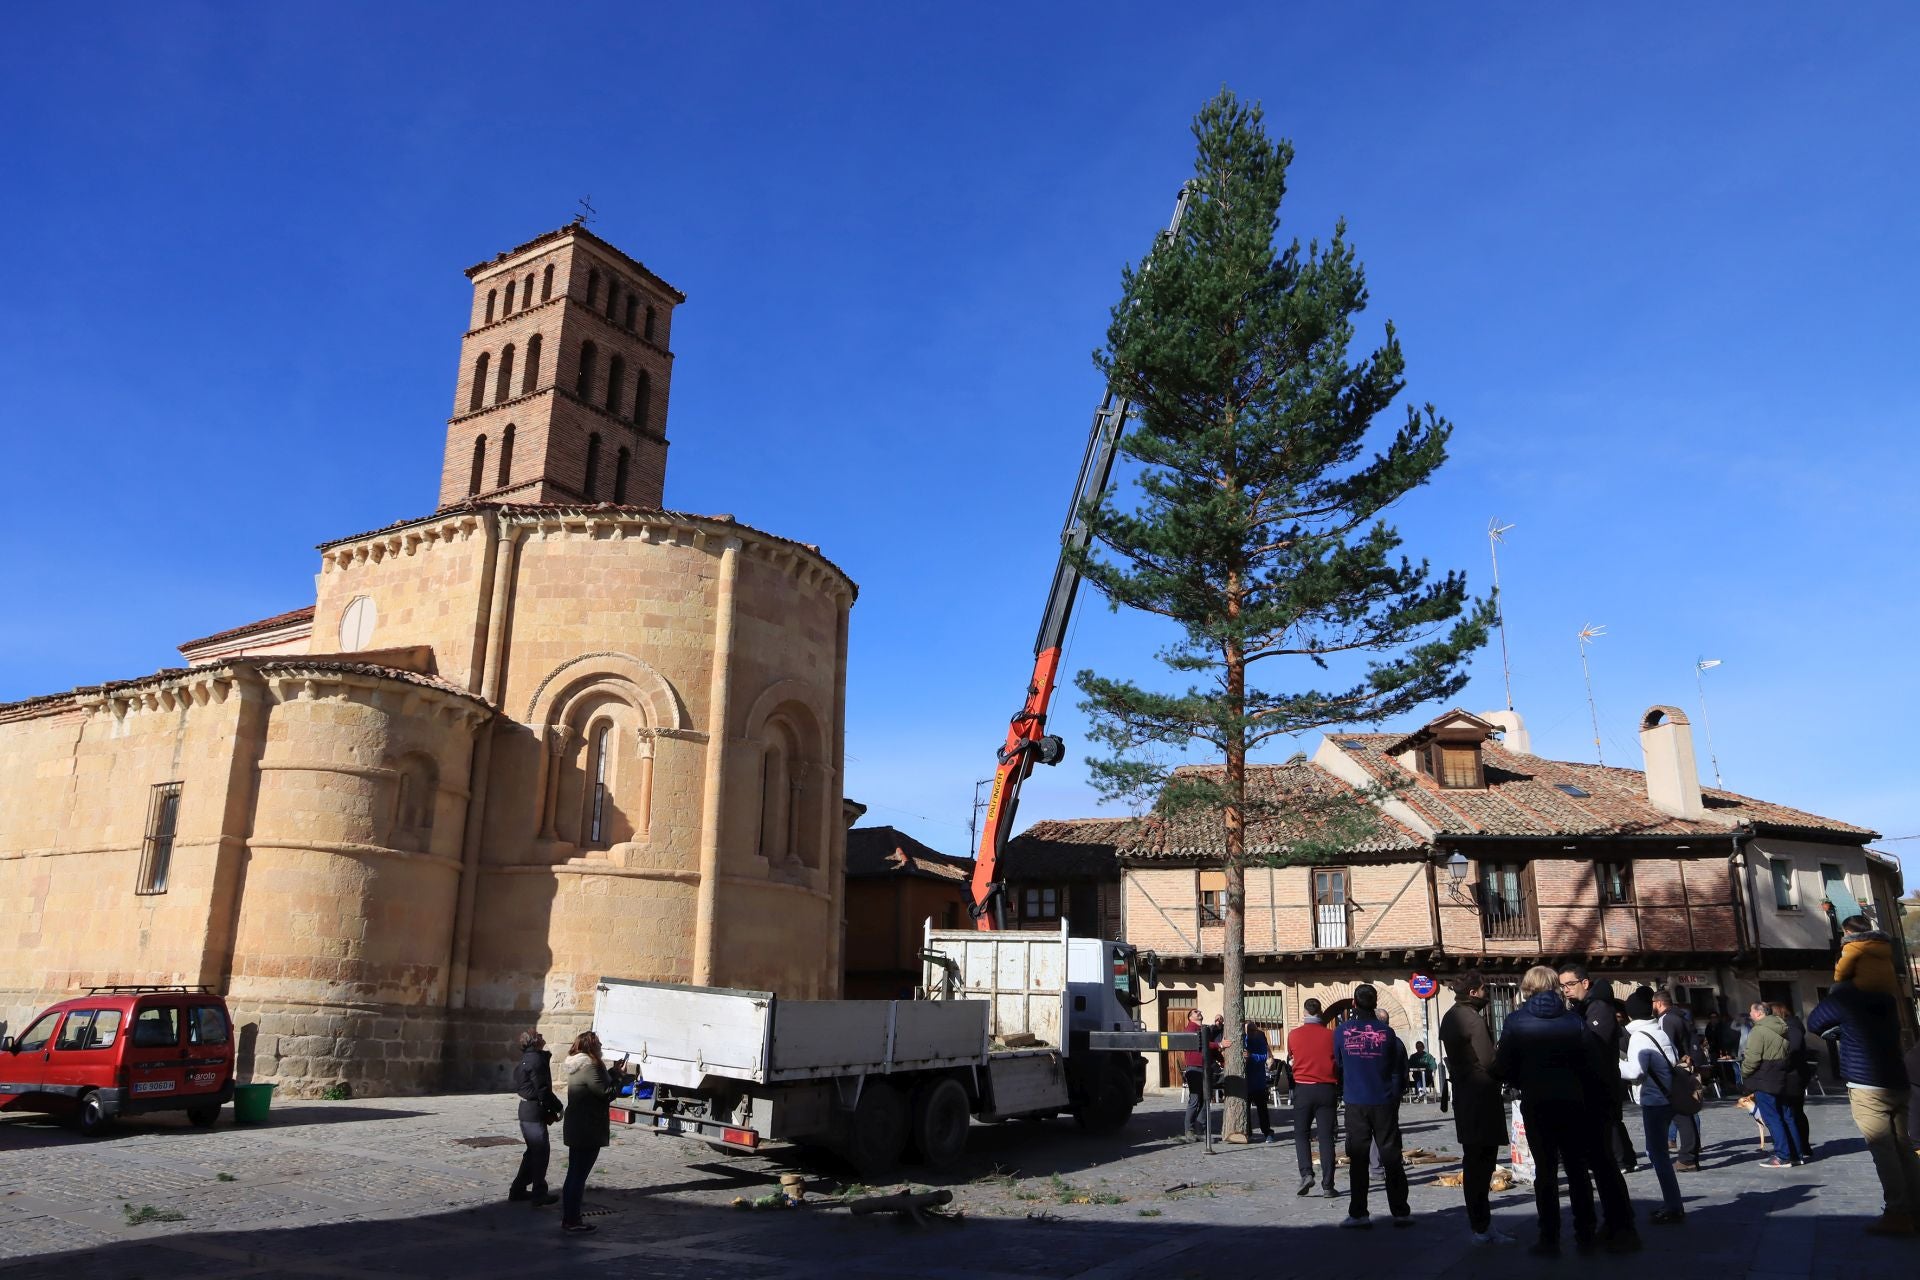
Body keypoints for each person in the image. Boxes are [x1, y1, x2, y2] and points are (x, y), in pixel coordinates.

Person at [1496, 965, 1641, 1256]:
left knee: (1546, 1173)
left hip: (1537, 1103)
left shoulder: (1515, 1021)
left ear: (1526, 989)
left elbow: (1503, 1066)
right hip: (1574, 1103)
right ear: (1555, 987)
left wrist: (1522, 1080)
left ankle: (1549, 1238)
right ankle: (1584, 1233)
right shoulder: (1573, 1021)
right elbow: (1590, 1063)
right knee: (1577, 1170)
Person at [1807, 980, 1920, 1235]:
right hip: (1897, 1078)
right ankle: (1916, 1210)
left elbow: (1814, 1022)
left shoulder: (1847, 997)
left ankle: (1898, 1213)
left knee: (1884, 1149)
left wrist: (1837, 996)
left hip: (1867, 1083)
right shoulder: (1885, 996)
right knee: (1904, 1147)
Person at [1440, 970, 1512, 1246]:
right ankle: (1482, 1225)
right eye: (1484, 989)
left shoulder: (1450, 1016)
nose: (1487, 993)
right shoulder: (1471, 1019)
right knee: (1481, 1163)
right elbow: (1488, 1060)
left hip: (1464, 1093)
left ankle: (1481, 1224)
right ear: (1473, 992)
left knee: (1474, 1161)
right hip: (1480, 1095)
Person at [1333, 983, 1411, 1230]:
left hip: (1356, 1099)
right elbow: (1396, 1067)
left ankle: (1359, 1213)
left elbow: (1338, 1063)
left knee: (1357, 1158)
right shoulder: (1388, 1034)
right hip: (1383, 1099)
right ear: (1376, 1004)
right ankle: (1400, 1211)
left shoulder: (1342, 1031)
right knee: (1391, 1155)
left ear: (1354, 1004)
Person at [1560, 965, 1635, 1174]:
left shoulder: (1599, 1007)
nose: (1566, 989)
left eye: (1570, 984)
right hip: (1591, 1075)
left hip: (1603, 1073)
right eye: (1563, 986)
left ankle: (1620, 1161)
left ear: (1585, 983)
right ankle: (1625, 1158)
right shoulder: (1580, 1007)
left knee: (1608, 1119)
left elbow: (1596, 1042)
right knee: (1608, 1120)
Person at [1620, 989, 1685, 1225]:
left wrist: (1614, 1063)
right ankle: (1673, 1203)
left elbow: (1635, 1071)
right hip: (1668, 1096)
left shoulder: (1638, 1037)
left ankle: (1673, 1206)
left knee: (1657, 1154)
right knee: (1659, 1153)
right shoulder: (1659, 1030)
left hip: (1655, 1100)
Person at [560, 1030, 628, 1234]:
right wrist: (620, 1078)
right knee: (578, 1176)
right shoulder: (590, 1066)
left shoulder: (579, 1064)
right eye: (598, 1043)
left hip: (578, 1125)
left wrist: (613, 1072)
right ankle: (572, 1220)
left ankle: (570, 1217)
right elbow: (607, 1093)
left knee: (574, 1173)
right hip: (587, 1127)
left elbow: (598, 1085)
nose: (601, 1045)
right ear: (590, 1046)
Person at [1741, 1001, 1805, 1168]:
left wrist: (1744, 1073)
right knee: (1786, 1115)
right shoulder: (1782, 1028)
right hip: (1781, 1076)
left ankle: (1782, 1156)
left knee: (1772, 1117)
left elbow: (1752, 1058)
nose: (1750, 1014)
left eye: (1751, 1011)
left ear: (1759, 1013)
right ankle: (1796, 1154)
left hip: (1764, 1078)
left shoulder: (1759, 1031)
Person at [1287, 998, 1339, 1197]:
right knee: (1326, 1137)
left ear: (1304, 1012)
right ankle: (1328, 1185)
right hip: (1326, 1088)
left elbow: (1292, 1056)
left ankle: (1306, 1173)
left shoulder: (1294, 1035)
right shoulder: (1331, 1035)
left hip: (1303, 1088)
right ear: (1321, 1012)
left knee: (1301, 1133)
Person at [508, 1029, 563, 1207]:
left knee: (533, 1153)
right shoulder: (536, 1060)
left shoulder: (529, 1058)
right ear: (534, 1042)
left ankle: (517, 1190)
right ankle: (539, 1193)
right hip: (532, 1111)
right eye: (539, 1035)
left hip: (527, 1110)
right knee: (540, 1152)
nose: (542, 1036)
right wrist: (557, 1106)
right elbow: (542, 1089)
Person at [1652, 989, 1702, 1170]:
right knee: (1687, 1112)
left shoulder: (1666, 1020)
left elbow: (1667, 1047)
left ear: (1658, 1003)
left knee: (1681, 1115)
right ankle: (1690, 1153)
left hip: (1676, 1070)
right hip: (1686, 1068)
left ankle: (1687, 1157)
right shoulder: (1680, 1016)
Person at [1771, 1001, 1814, 1155]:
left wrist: (1780, 1063)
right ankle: (1801, 1146)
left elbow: (1792, 1049)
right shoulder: (1788, 1027)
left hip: (1793, 1076)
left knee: (1793, 1112)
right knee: (1795, 1112)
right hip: (1792, 1074)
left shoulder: (1792, 1027)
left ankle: (1800, 1147)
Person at [1834, 913, 1900, 996]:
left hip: (1866, 986)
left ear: (1848, 932)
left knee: (1835, 988)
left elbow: (1842, 973)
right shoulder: (1884, 943)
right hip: (1889, 987)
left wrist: (1837, 979)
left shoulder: (1852, 946)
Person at [1244, 1022, 1275, 1141]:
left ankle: (1267, 1132)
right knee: (1245, 1109)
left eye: (1253, 1030)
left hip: (1258, 1080)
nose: (1251, 1032)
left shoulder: (1260, 1039)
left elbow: (1264, 1057)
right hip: (1245, 1081)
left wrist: (1251, 1056)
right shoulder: (1243, 1039)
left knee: (1262, 1109)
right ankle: (1248, 1132)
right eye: (1249, 1030)